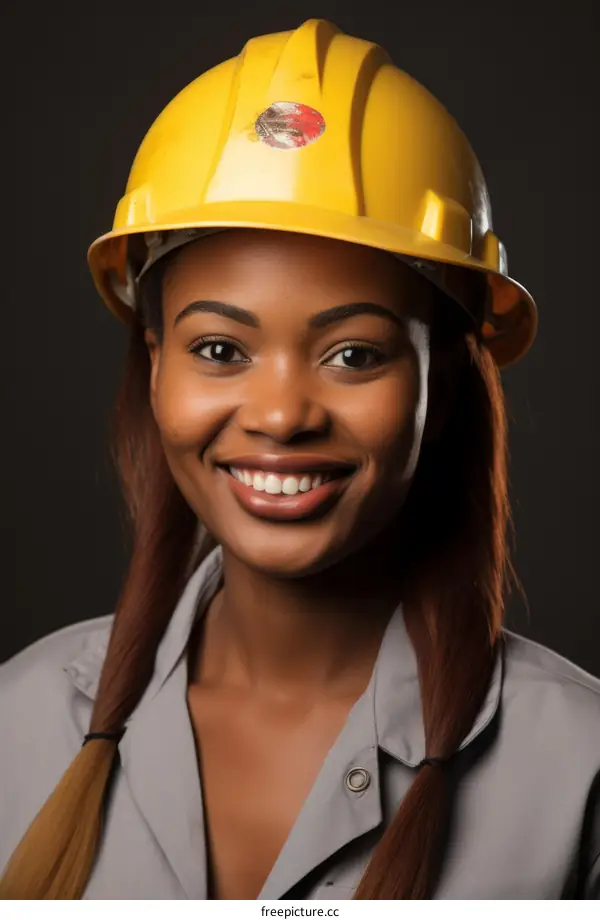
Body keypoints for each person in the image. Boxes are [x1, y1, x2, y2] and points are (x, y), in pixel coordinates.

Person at [1, 18, 599, 901]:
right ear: (154, 362)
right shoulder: (20, 723)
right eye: (219, 350)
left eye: (354, 354)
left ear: (448, 388)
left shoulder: (580, 772)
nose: (281, 416)